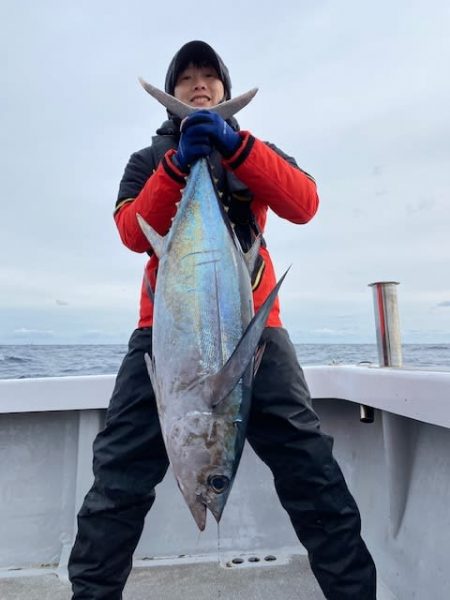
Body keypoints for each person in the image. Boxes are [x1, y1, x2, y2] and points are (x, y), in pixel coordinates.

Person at [68, 40, 377, 599]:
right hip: (162, 339)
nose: (198, 85)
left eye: (209, 77)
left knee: (311, 472)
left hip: (256, 334)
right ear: (173, 96)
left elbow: (304, 203)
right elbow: (132, 233)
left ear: (227, 93)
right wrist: (178, 162)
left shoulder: (256, 151)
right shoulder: (145, 162)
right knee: (117, 480)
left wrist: (236, 148)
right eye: (186, 79)